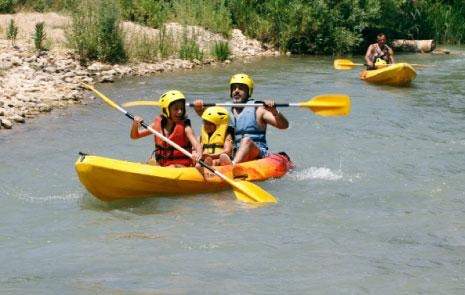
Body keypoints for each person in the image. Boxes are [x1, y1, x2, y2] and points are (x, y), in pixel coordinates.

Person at [194, 73, 289, 164]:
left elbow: (284, 126)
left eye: (241, 88)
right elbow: (207, 117)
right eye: (234, 88)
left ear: (249, 92)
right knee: (201, 138)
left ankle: (233, 165)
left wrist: (274, 111)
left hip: (257, 152)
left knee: (246, 140)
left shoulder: (258, 109)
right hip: (232, 153)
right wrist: (198, 108)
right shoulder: (224, 110)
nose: (236, 91)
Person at [130, 90, 202, 167]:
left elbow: (197, 145)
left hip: (181, 166)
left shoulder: (186, 127)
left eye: (181, 108)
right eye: (176, 109)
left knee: (172, 167)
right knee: (150, 162)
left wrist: (199, 155)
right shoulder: (156, 125)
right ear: (166, 110)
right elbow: (135, 136)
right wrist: (135, 125)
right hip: (162, 165)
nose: (180, 111)